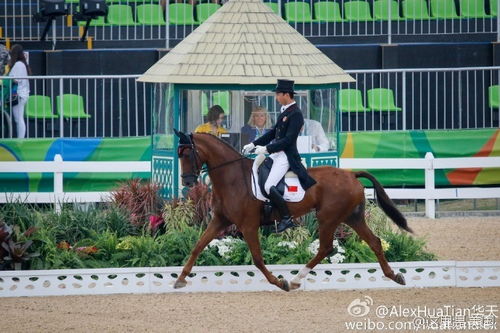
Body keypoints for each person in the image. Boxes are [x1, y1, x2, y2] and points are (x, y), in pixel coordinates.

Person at [242, 79, 316, 233]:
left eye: (278, 94)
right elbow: (272, 133)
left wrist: (267, 149)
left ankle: (286, 218)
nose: (276, 97)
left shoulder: (296, 114)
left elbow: (288, 140)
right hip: (277, 153)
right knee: (257, 169)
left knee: (269, 186)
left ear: (286, 94)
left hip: (286, 156)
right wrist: (254, 144)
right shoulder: (285, 111)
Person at [8, 44, 31, 139]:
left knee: (19, 119)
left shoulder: (18, 65)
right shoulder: (22, 64)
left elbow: (16, 79)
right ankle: (20, 139)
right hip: (22, 93)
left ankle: (20, 140)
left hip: (19, 94)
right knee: (18, 119)